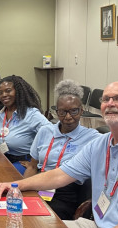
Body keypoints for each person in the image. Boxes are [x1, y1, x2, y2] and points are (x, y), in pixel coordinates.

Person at [0, 81, 118, 228]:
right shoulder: (100, 144)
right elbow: (60, 175)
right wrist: (15, 185)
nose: (110, 104)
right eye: (106, 99)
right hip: (96, 226)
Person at [24, 79, 100, 220]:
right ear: (56, 111)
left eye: (74, 111)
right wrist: (23, 190)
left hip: (66, 191)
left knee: (43, 220)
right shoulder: (45, 131)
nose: (68, 117)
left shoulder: (92, 137)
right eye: (63, 112)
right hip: (40, 182)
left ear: (81, 110)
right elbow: (32, 166)